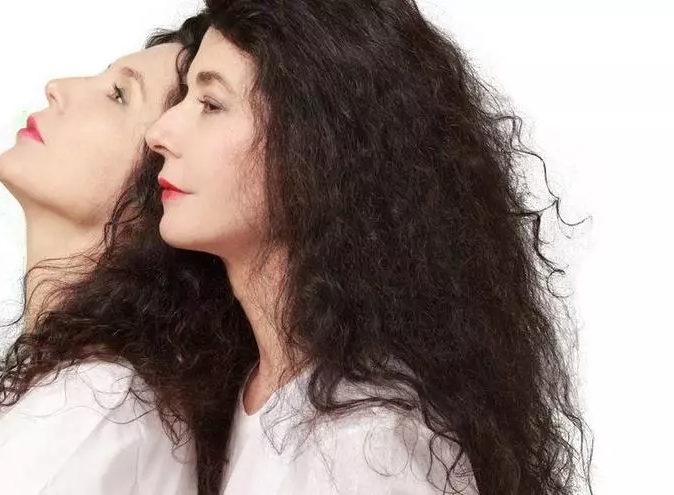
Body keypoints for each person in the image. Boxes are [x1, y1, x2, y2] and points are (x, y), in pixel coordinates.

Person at [145, 0, 594, 493]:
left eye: (210, 104)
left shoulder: (367, 445)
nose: (159, 133)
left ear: (316, 144)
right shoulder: (235, 390)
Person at [0, 14, 222, 495]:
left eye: (118, 94)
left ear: (164, 181)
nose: (58, 87)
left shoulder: (93, 409)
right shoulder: (82, 396)